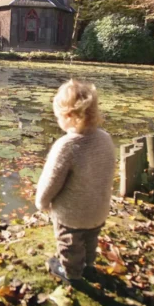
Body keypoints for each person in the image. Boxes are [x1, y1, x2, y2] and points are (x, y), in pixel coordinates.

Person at [35, 79, 116, 282]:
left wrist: (42, 203)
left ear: (69, 116)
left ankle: (71, 273)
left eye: (58, 117)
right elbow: (108, 171)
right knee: (90, 238)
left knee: (70, 242)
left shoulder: (66, 145)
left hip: (72, 214)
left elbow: (51, 181)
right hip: (98, 209)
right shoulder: (105, 138)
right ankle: (88, 265)